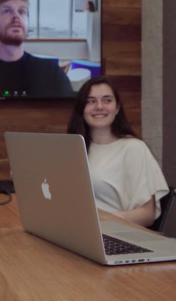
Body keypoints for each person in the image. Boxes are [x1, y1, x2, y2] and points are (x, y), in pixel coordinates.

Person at [66, 76, 167, 227]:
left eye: (107, 100)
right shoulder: (73, 148)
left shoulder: (133, 148)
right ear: (82, 108)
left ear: (117, 108)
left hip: (112, 232)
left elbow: (147, 215)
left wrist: (103, 220)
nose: (99, 106)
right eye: (91, 101)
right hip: (76, 228)